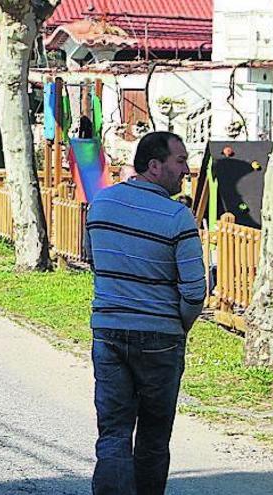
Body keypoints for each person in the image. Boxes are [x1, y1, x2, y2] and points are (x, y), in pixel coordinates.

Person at [84, 131, 206, 495]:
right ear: (154, 166)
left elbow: (94, 262)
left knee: (114, 432)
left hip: (108, 332)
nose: (186, 169)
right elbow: (195, 291)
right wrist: (177, 324)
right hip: (161, 340)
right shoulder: (178, 217)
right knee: (153, 436)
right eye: (180, 161)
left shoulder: (100, 205)